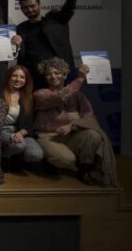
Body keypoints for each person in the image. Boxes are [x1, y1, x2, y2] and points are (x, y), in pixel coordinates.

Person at [33, 58, 117, 186]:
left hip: (71, 136)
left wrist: (72, 126)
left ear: (64, 75)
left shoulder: (79, 96)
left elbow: (90, 119)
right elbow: (60, 97)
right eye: (49, 74)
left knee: (93, 135)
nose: (53, 76)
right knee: (67, 160)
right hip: (49, 137)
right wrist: (81, 78)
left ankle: (84, 171)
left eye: (57, 73)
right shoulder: (40, 94)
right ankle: (51, 161)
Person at [16, 0, 82, 84]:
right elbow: (20, 54)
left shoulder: (56, 20)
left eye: (32, 6)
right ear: (21, 9)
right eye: (25, 7)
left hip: (60, 77)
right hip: (34, 78)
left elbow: (69, 8)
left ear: (40, 5)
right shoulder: (20, 28)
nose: (29, 10)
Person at [0, 65, 43, 167]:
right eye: (14, 76)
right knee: (19, 145)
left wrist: (21, 133)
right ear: (9, 77)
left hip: (21, 131)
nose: (18, 79)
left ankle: (15, 158)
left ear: (26, 80)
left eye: (22, 77)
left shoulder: (28, 97)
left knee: (36, 154)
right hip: (2, 130)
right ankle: (2, 157)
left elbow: (31, 121)